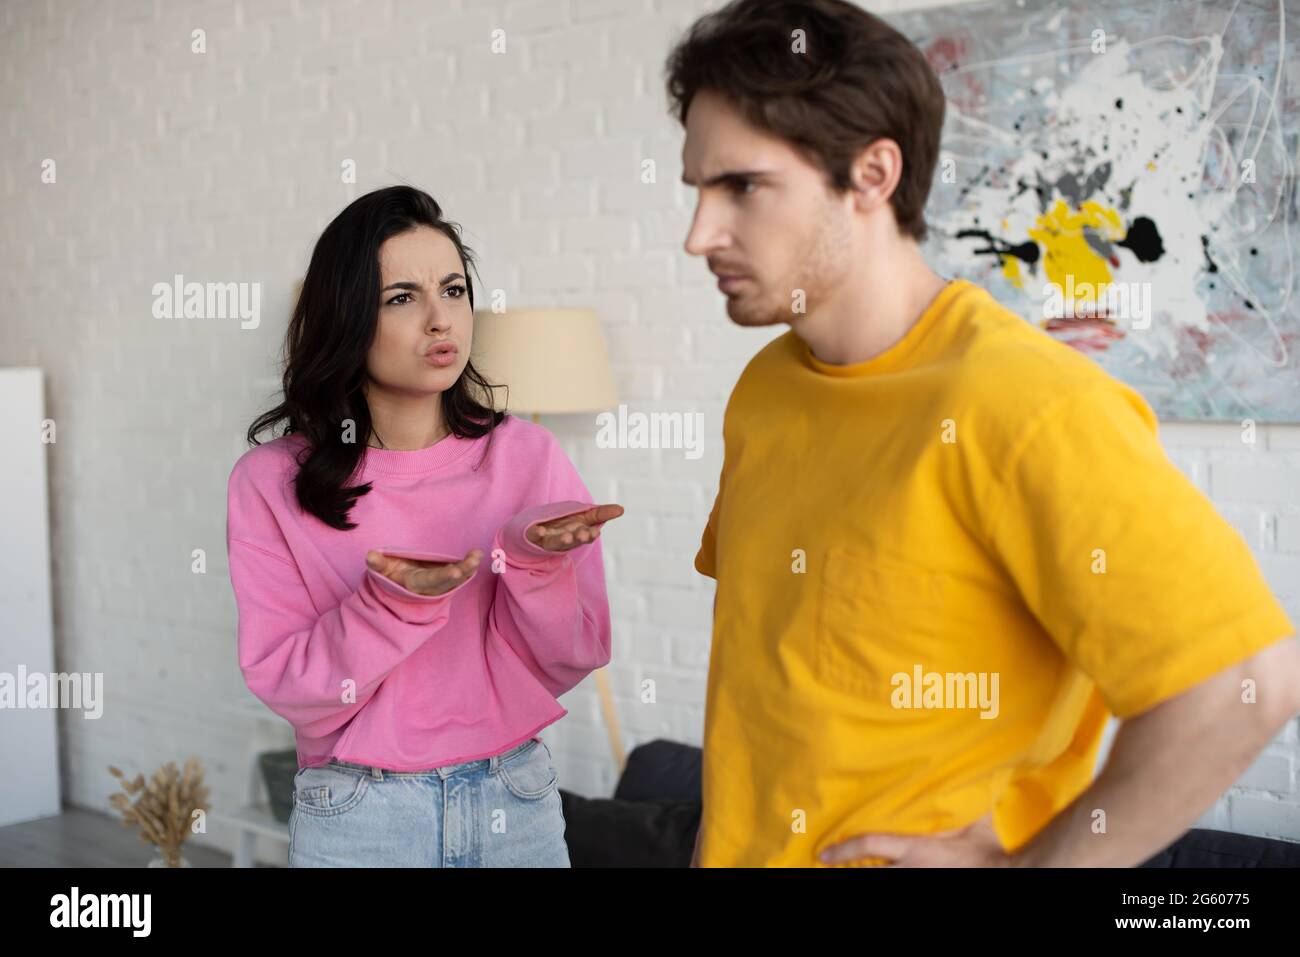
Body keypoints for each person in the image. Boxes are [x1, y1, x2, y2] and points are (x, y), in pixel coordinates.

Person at [666, 0, 1300, 867]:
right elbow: (767, 690)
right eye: (697, 190)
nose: (699, 234)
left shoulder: (1026, 402)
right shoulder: (765, 389)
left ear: (873, 175)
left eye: (741, 186)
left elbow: (1246, 681)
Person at [225, 185, 623, 867]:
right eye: (402, 297)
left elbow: (572, 656)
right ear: (347, 317)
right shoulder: (270, 481)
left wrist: (532, 565)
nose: (441, 320)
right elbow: (291, 687)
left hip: (515, 800)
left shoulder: (527, 456)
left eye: (454, 290)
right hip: (361, 815)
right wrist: (391, 607)